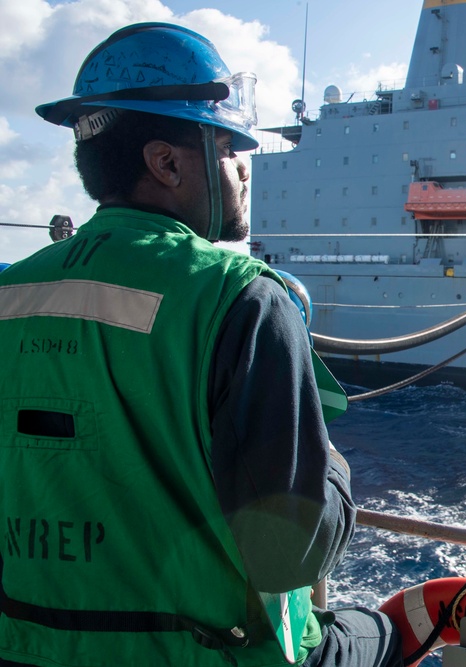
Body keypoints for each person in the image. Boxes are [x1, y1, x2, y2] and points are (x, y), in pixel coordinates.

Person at [0, 23, 401, 667]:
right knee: (384, 632)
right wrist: (330, 460)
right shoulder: (242, 299)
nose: (244, 169)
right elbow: (288, 556)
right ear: (167, 162)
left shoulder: (10, 292)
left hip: (26, 647)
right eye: (228, 147)